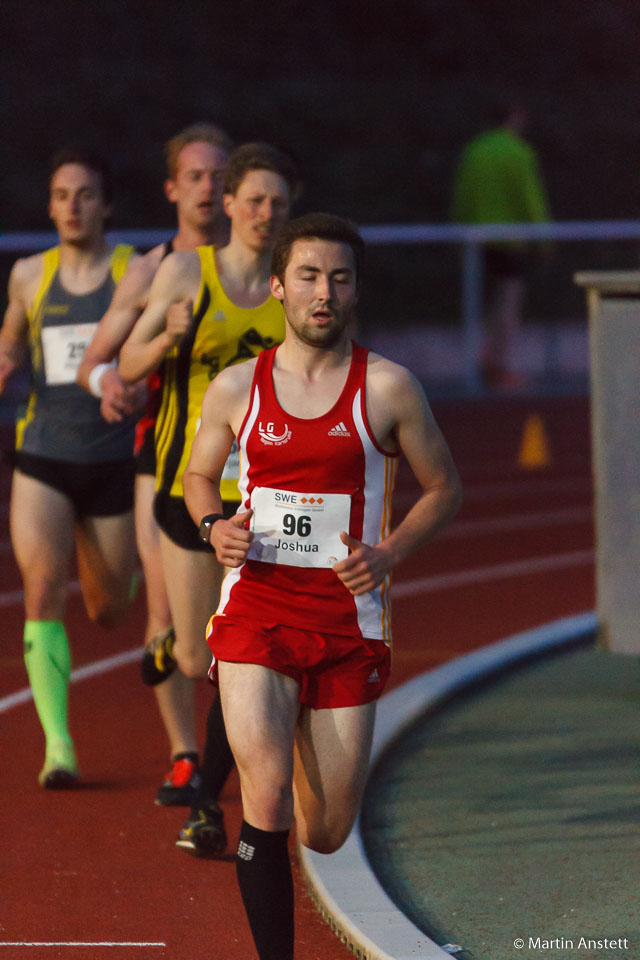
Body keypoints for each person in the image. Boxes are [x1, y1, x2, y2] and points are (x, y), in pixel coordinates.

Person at [182, 212, 462, 960]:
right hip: (257, 610)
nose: (323, 293)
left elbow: (444, 487)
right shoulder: (239, 387)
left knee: (326, 831)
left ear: (355, 290)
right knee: (263, 795)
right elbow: (198, 474)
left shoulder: (390, 388)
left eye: (338, 278)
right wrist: (214, 526)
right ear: (278, 286)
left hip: (347, 623)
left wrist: (390, 551)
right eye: (307, 276)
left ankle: (300, 760)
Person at [119, 142, 300, 854]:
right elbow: (128, 364)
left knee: (240, 656)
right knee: (198, 661)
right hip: (188, 490)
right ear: (227, 203)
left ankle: (207, 804)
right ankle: (170, 640)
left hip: (263, 502)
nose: (266, 213)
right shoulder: (186, 273)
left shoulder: (294, 286)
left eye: (279, 203)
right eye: (254, 200)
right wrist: (166, 337)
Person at [77, 123, 233, 807]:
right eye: (195, 176)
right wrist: (108, 383)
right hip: (162, 461)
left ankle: (243, 750)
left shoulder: (259, 268)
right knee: (165, 615)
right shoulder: (151, 269)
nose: (208, 188)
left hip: (245, 464)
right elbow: (97, 360)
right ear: (172, 189)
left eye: (219, 176)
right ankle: (183, 754)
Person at [0, 149, 139, 788]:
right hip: (44, 456)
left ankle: (101, 559)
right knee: (44, 587)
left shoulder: (133, 271)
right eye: (61, 195)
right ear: (50, 205)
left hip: (112, 459)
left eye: (85, 194)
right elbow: (10, 347)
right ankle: (59, 745)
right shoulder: (29, 276)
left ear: (105, 204)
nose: (72, 206)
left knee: (111, 609)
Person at [451, 103, 551, 388]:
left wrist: (460, 232)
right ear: (515, 117)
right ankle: (496, 364)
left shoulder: (475, 150)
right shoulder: (518, 152)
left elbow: (463, 195)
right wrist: (543, 239)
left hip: (477, 240)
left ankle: (488, 361)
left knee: (489, 301)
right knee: (508, 300)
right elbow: (530, 198)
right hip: (509, 239)